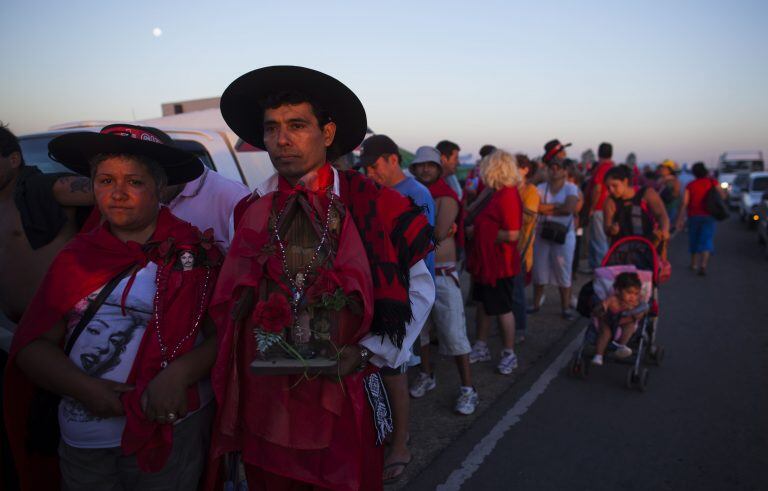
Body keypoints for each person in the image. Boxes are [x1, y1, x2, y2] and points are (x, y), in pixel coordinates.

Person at [206, 66, 434, 491]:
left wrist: (367, 354)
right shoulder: (251, 210)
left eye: (297, 126)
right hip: (267, 401)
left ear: (327, 133)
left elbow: (420, 288)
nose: (282, 139)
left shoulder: (374, 204)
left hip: (344, 394)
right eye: (271, 128)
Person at [4, 124, 223, 490]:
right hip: (86, 444)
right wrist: (84, 388)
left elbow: (226, 335)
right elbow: (33, 345)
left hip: (171, 434)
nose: (118, 194)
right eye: (105, 181)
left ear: (159, 189)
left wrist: (179, 373)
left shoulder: (196, 254)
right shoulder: (74, 259)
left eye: (134, 182)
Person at [357, 133, 435, 484]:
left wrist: (416, 304)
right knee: (383, 369)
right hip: (381, 294)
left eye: (375, 166)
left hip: (403, 299)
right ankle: (387, 433)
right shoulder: (370, 194)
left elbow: (423, 251)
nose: (371, 174)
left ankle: (401, 443)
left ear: (392, 159)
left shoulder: (416, 195)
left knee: (396, 369)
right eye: (367, 168)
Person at [409, 146, 477, 415]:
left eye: (430, 165)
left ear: (438, 169)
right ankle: (427, 374)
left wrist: (409, 231)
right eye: (421, 165)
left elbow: (435, 235)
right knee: (421, 332)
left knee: (454, 333)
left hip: (442, 273)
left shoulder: (446, 197)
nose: (425, 169)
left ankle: (468, 388)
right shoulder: (413, 194)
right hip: (417, 272)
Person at [465, 150, 523, 374]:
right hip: (488, 262)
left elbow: (513, 234)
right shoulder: (495, 192)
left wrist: (479, 232)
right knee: (483, 304)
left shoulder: (507, 195)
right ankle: (481, 345)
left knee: (502, 309)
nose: (482, 170)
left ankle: (509, 353)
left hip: (500, 264)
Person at [530, 158, 580, 320]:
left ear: (565, 171)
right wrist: (558, 207)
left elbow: (569, 209)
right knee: (539, 270)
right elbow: (535, 207)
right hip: (544, 234)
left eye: (558, 167)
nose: (554, 170)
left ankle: (565, 307)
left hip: (563, 235)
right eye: (552, 167)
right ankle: (536, 304)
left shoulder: (571, 188)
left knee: (563, 270)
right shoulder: (541, 187)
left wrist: (546, 209)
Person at [603, 165, 670, 245]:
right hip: (622, 249)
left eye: (614, 185)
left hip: (649, 245)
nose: (611, 190)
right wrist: (612, 230)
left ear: (625, 181)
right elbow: (607, 227)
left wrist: (664, 230)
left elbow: (661, 215)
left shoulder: (647, 194)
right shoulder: (610, 202)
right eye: (608, 187)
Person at [591, 272, 649, 366]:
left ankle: (621, 347)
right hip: (608, 321)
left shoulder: (636, 303)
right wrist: (600, 309)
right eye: (629, 292)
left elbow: (644, 309)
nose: (632, 296)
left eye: (636, 293)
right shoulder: (613, 299)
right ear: (618, 290)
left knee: (629, 327)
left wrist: (636, 313)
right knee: (605, 333)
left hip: (624, 321)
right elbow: (601, 307)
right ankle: (598, 355)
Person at [675, 162, 723, 275]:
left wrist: (680, 219)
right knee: (706, 240)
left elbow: (684, 203)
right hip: (709, 215)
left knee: (694, 239)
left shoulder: (691, 185)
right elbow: (722, 195)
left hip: (694, 216)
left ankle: (693, 264)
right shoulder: (713, 182)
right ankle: (703, 265)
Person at [586, 142, 615, 270]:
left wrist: (592, 207)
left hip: (599, 207)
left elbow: (597, 188)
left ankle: (601, 268)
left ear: (599, 152)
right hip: (606, 206)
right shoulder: (612, 167)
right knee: (597, 238)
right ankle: (594, 266)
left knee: (599, 240)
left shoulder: (602, 168)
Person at [656, 160, 681, 233]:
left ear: (670, 170)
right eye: (661, 167)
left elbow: (676, 194)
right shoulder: (660, 179)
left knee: (664, 230)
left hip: (669, 208)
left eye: (664, 168)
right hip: (661, 208)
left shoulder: (673, 180)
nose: (662, 169)